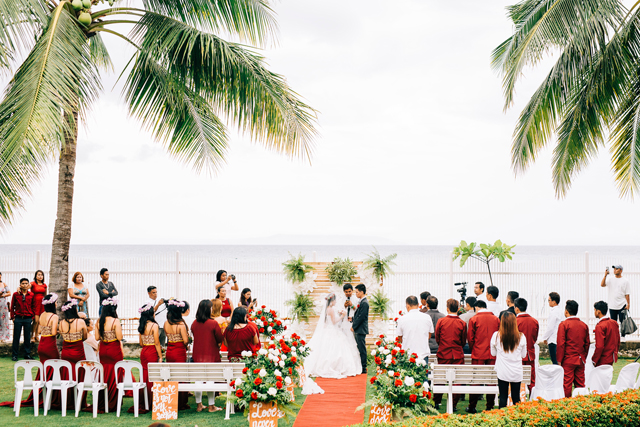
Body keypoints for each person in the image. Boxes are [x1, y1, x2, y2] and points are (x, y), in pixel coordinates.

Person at [305, 292, 362, 378]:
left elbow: (328, 321)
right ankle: (334, 367)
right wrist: (342, 316)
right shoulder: (331, 309)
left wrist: (339, 314)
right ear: (332, 301)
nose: (336, 302)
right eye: (335, 300)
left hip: (328, 329)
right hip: (332, 330)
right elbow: (334, 321)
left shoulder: (327, 309)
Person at [466, 300, 499, 413]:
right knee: (491, 380)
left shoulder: (474, 319)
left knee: (476, 379)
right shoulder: (496, 319)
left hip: (478, 352)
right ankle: (490, 406)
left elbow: (470, 338)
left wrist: (474, 349)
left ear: (476, 308)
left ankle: (472, 406)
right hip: (492, 353)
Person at [433, 299, 467, 411]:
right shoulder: (462, 323)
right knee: (457, 380)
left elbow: (437, 338)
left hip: (444, 353)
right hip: (457, 354)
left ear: (447, 308)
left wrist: (443, 345)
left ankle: (436, 401)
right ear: (458, 309)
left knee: (440, 378)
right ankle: (454, 403)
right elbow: (463, 341)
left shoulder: (441, 321)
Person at [191, 299, 224, 412]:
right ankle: (211, 405)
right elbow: (219, 338)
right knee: (210, 380)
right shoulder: (213, 323)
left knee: (198, 380)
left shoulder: (194, 323)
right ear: (208, 310)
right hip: (211, 355)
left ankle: (199, 404)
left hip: (197, 355)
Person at [96, 297, 127, 413]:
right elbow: (119, 337)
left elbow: (97, 337)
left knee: (104, 373)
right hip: (114, 349)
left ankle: (103, 400)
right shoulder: (115, 321)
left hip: (103, 349)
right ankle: (112, 401)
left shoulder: (99, 321)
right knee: (115, 373)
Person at [491, 312, 527, 408]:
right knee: (516, 398)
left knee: (503, 397)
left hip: (502, 371)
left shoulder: (496, 336)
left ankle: (502, 416)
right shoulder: (521, 337)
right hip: (516, 372)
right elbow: (523, 355)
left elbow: (493, 353)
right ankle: (517, 416)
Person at [557, 300, 590, 398]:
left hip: (568, 359)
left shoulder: (563, 325)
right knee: (580, 384)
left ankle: (566, 403)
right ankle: (581, 402)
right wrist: (583, 356)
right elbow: (587, 344)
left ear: (566, 311)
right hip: (580, 358)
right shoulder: (584, 325)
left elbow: (561, 344)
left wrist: (559, 360)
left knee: (566, 384)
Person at [134, 303, 163, 414]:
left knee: (144, 374)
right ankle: (152, 399)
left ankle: (144, 399)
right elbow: (157, 342)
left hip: (144, 351)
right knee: (152, 375)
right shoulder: (154, 325)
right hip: (151, 351)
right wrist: (160, 356)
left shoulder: (141, 325)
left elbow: (141, 343)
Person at [59, 299, 88, 410]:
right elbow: (85, 337)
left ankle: (67, 399)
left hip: (66, 351)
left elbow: (62, 336)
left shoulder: (61, 322)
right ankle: (79, 400)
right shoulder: (80, 322)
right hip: (78, 350)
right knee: (80, 374)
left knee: (67, 374)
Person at [164, 299, 191, 410]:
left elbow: (167, 336)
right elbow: (185, 341)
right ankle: (181, 401)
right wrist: (189, 339)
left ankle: (172, 398)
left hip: (170, 350)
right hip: (179, 351)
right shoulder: (180, 325)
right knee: (180, 375)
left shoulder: (166, 323)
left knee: (172, 375)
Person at [396, 295, 434, 363]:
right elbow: (429, 335)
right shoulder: (427, 317)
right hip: (423, 354)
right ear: (418, 304)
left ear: (407, 306)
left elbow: (400, 337)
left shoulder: (402, 319)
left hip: (408, 355)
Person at [514, 298, 538, 391]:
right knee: (531, 380)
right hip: (530, 354)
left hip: (517, 354)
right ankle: (533, 396)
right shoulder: (534, 321)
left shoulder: (515, 321)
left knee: (516, 378)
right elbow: (535, 338)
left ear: (516, 309)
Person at [10, 278, 35, 361]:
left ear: (28, 285)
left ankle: (27, 354)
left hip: (28, 318)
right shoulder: (15, 294)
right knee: (16, 337)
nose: (24, 285)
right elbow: (12, 306)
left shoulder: (31, 295)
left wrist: (32, 317)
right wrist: (13, 317)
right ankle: (14, 355)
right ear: (20, 285)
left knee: (27, 337)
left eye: (26, 283)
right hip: (18, 318)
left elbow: (33, 306)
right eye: (23, 283)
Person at [592, 301, 620, 367]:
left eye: (594, 310)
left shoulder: (600, 326)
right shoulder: (614, 323)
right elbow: (618, 340)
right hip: (611, 356)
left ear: (598, 311)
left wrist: (594, 359)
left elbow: (600, 346)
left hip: (602, 358)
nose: (594, 312)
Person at [351, 284, 369, 375]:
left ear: (362, 292)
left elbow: (361, 317)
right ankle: (361, 366)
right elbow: (358, 315)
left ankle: (363, 367)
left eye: (357, 292)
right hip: (359, 328)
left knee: (361, 348)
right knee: (359, 347)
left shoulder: (364, 303)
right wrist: (352, 319)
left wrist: (353, 327)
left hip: (360, 329)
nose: (356, 294)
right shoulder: (362, 302)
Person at [541, 292, 563, 365]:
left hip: (553, 339)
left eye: (549, 300)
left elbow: (550, 327)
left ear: (554, 302)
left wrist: (545, 338)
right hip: (559, 339)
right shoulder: (561, 311)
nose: (548, 302)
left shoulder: (554, 312)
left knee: (554, 361)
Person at [30, 270, 47, 343]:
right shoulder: (32, 283)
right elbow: (26, 287)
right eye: (38, 275)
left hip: (42, 304)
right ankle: (32, 335)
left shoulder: (44, 285)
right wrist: (19, 288)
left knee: (39, 321)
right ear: (36, 276)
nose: (40, 276)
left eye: (41, 275)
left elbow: (45, 295)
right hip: (35, 303)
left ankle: (36, 335)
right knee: (35, 320)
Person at [0, 273, 11, 343]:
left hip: (3, 304)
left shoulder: (4, 284)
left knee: (4, 320)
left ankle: (3, 337)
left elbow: (9, 293)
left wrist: (3, 295)